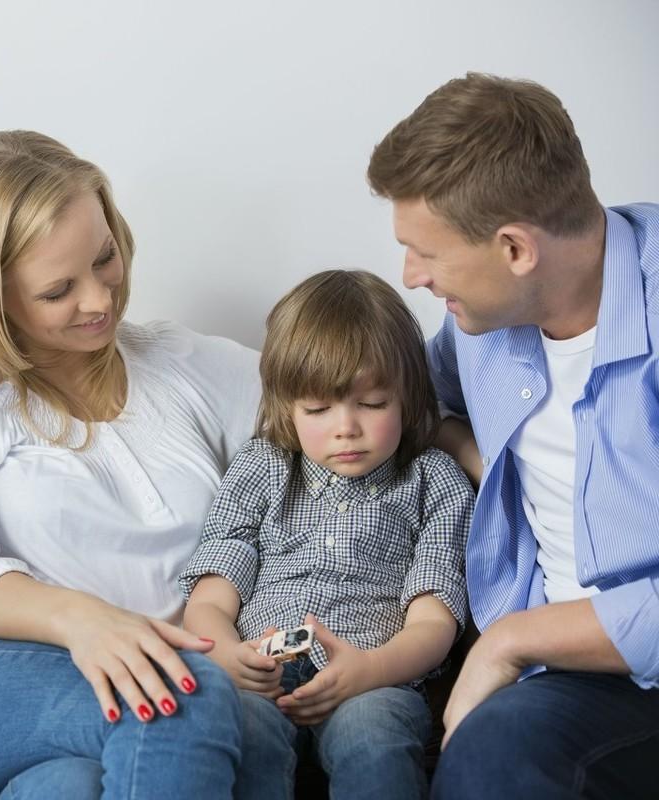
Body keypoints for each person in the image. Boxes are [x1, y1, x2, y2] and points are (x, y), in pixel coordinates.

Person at [0, 130, 262, 800]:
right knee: (180, 695)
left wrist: (466, 439)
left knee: (67, 787)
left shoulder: (187, 366)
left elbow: (356, 394)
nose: (99, 300)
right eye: (58, 290)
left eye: (105, 259)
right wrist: (83, 620)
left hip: (96, 709)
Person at [368, 72, 659, 799]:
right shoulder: (481, 323)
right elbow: (408, 406)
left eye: (427, 254)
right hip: (568, 683)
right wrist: (476, 453)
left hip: (620, 669)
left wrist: (511, 639)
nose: (412, 276)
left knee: (497, 750)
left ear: (515, 249)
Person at [179, 269, 473, 800]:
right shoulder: (263, 467)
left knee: (376, 742)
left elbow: (435, 619)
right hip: (262, 668)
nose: (346, 427)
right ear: (287, 409)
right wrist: (226, 652)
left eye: (373, 403)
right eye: (318, 409)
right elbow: (213, 591)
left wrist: (372, 669)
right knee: (240, 731)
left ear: (407, 398)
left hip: (374, 674)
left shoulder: (433, 480)